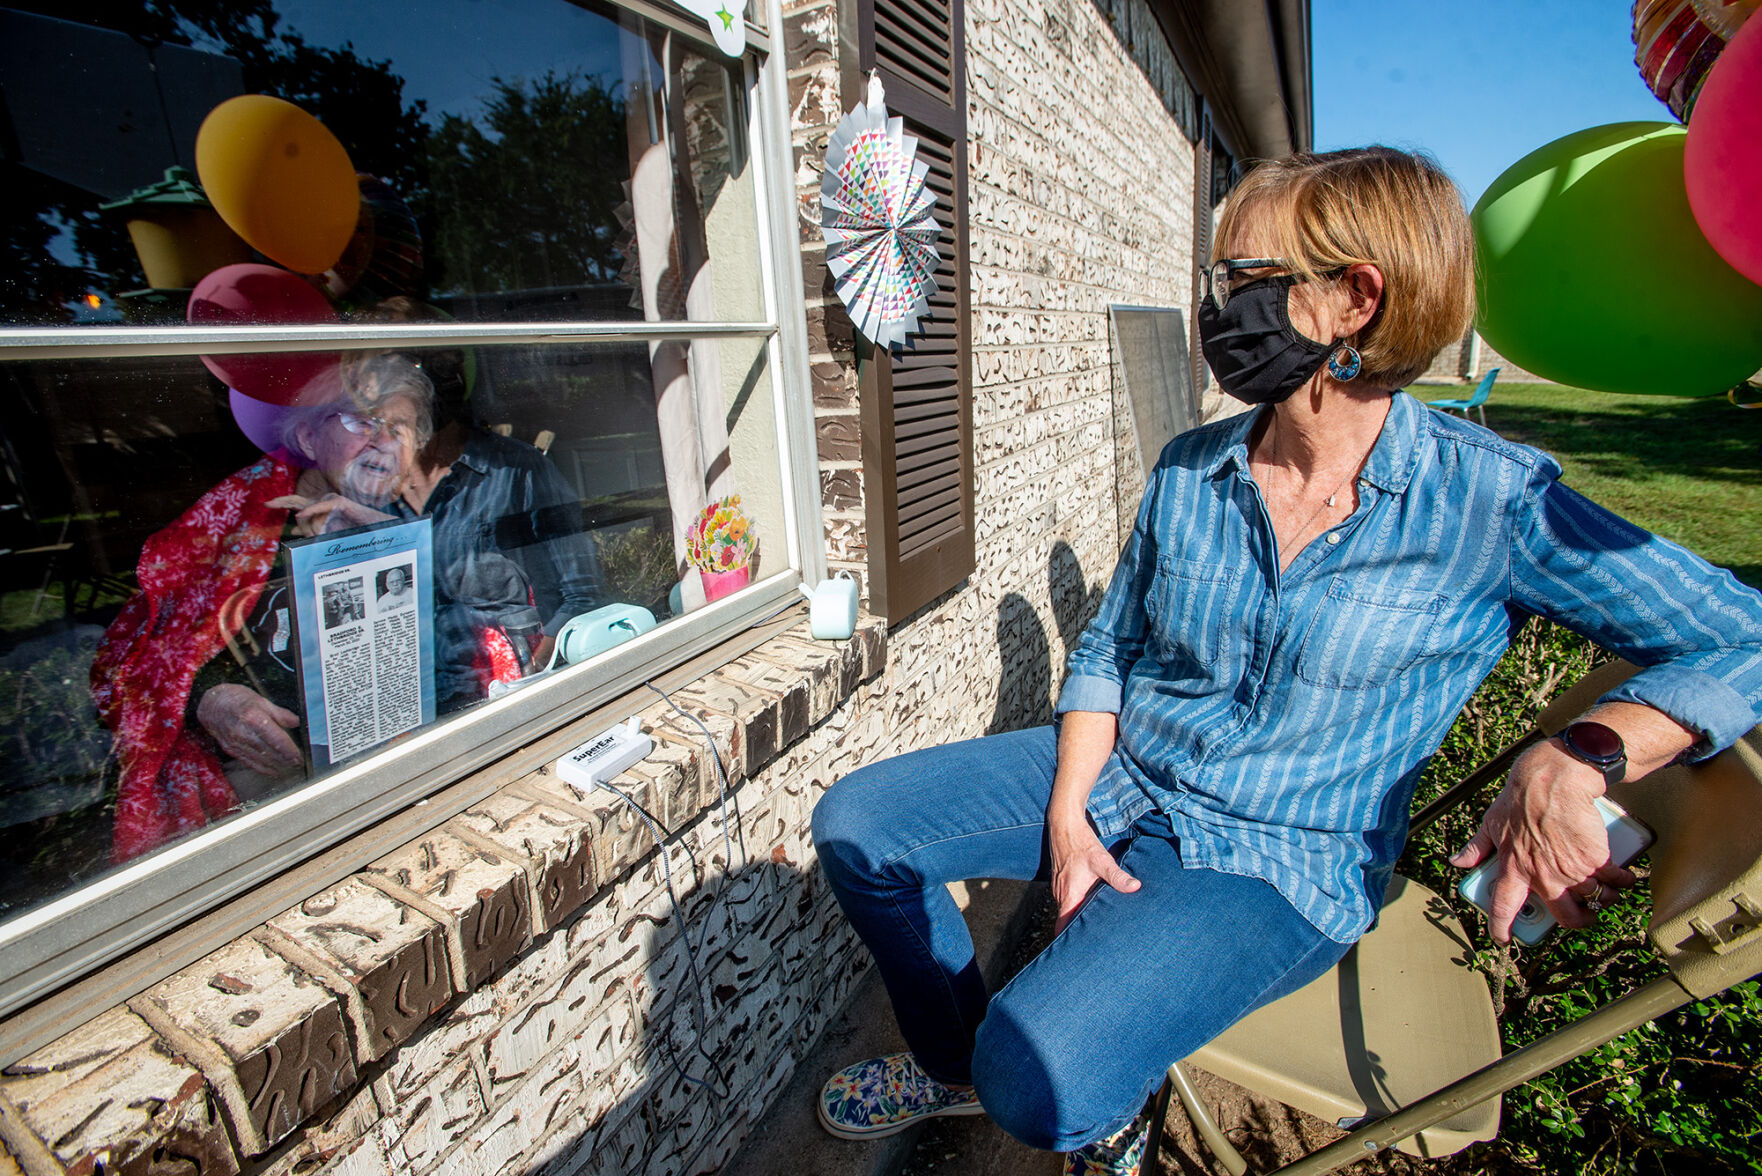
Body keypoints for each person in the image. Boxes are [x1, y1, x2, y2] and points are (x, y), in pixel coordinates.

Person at [809, 146, 1762, 1175]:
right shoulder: (1192, 469)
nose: (1215, 309)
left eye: (1244, 282)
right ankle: (951, 1066)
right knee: (861, 830)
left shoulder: (1491, 506)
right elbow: (1112, 645)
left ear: (1356, 298)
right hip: (1127, 770)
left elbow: (1740, 631)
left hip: (1284, 859)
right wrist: (1067, 812)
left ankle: (1090, 1099)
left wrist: (1582, 753)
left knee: (1039, 1076)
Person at [91, 354, 432, 862]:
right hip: (270, 786)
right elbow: (146, 656)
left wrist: (386, 542)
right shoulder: (238, 525)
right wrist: (208, 698)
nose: (383, 440)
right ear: (309, 438)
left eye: (400, 427)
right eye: (363, 421)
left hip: (402, 765)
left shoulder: (413, 516)